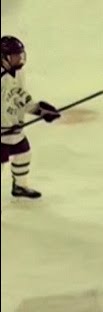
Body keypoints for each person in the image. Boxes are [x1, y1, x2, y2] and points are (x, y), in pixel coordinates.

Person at [1, 35, 61, 199]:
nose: (20, 59)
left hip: (13, 128)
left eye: (20, 55)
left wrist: (39, 110)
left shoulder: (18, 73)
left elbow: (19, 97)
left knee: (23, 153)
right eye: (15, 56)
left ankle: (19, 186)